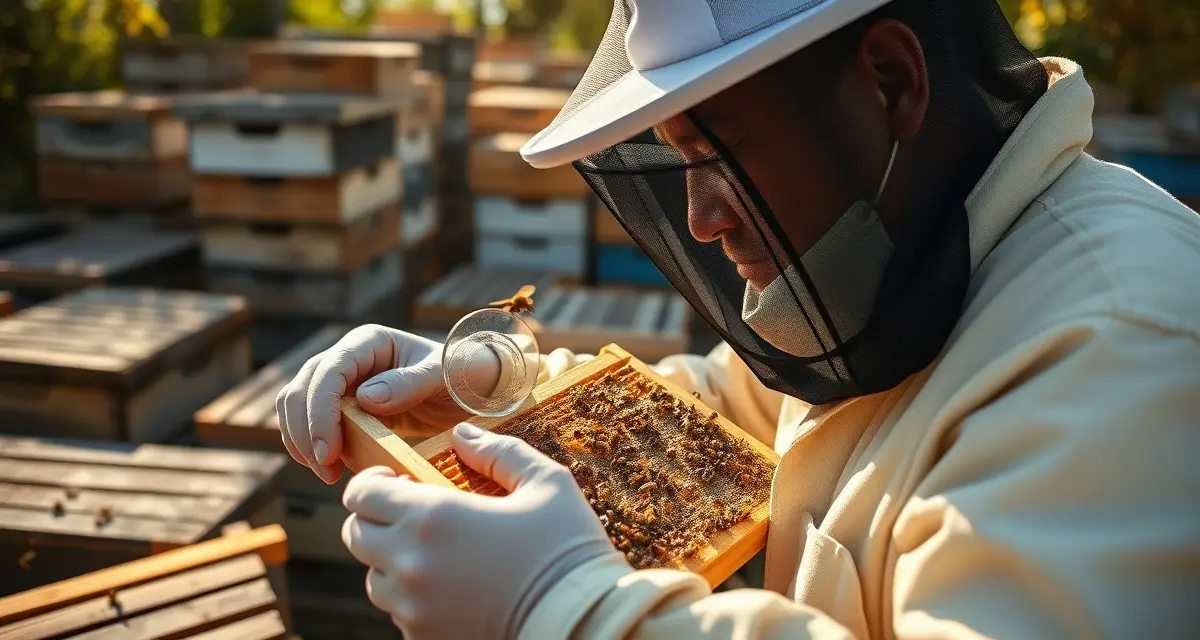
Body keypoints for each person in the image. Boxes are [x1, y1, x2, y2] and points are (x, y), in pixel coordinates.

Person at [276, 0, 1200, 637]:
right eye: (681, 162)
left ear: (890, 83)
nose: (701, 218)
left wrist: (563, 611)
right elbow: (743, 419)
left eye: (725, 154)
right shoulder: (915, 260)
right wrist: (493, 396)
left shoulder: (1123, 347)